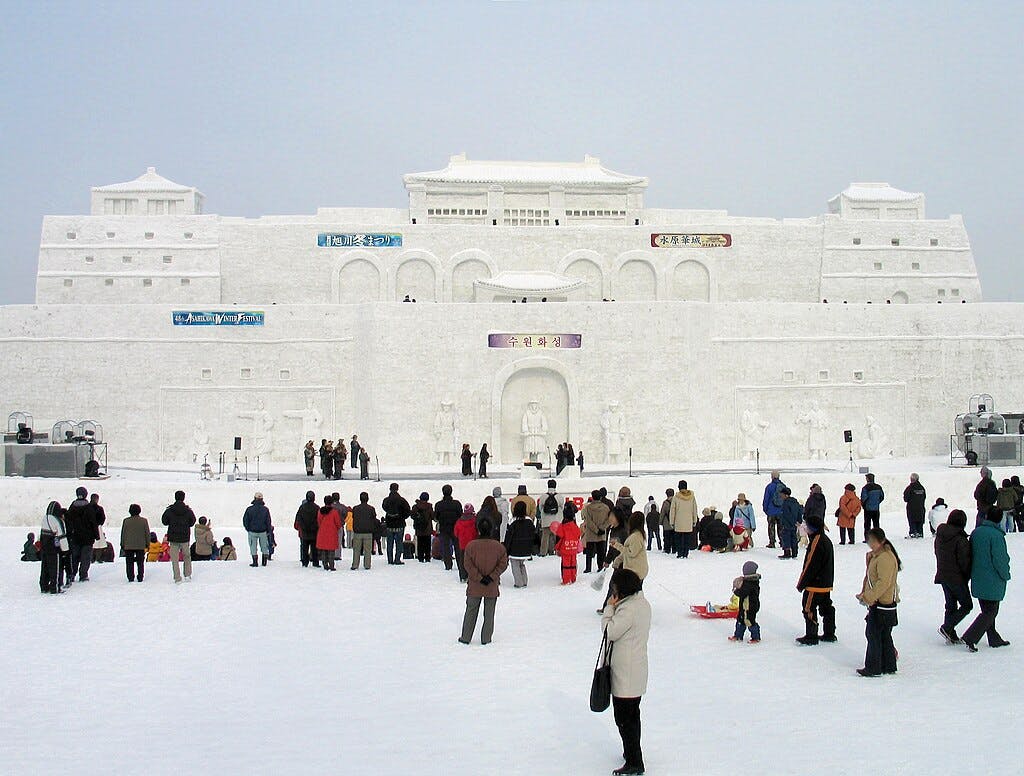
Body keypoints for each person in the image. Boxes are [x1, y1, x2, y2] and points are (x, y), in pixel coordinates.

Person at [601, 568, 651, 776]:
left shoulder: (627, 610)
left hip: (626, 673)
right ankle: (631, 752)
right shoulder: (641, 604)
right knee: (632, 716)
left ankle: (634, 761)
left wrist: (609, 609)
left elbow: (609, 632)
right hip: (635, 669)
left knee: (624, 718)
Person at [961, 508, 1012, 652]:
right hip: (992, 578)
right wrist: (1005, 574)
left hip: (978, 576)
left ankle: (993, 637)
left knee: (986, 609)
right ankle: (971, 636)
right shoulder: (996, 536)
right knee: (991, 611)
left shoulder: (976, 532)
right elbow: (1000, 559)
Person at [856, 528, 901, 676]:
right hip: (881, 602)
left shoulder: (885, 558)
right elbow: (871, 579)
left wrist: (869, 597)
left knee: (873, 634)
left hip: (883, 603)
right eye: (869, 541)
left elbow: (883, 583)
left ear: (881, 541)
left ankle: (873, 667)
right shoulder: (878, 556)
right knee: (884, 635)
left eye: (873, 542)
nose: (870, 544)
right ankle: (888, 665)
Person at [459, 518, 509, 645]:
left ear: (478, 529)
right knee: (489, 613)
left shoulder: (471, 546)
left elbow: (467, 565)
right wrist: (492, 576)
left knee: (471, 611)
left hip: (475, 585)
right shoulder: (499, 547)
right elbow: (503, 564)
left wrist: (479, 577)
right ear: (492, 529)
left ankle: (466, 637)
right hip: (491, 585)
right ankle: (486, 639)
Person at [796, 513, 836, 645]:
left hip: (815, 584)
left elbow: (810, 565)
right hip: (825, 583)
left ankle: (811, 635)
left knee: (809, 608)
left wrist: (801, 583)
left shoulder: (817, 541)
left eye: (806, 525)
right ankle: (829, 633)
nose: (805, 527)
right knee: (826, 607)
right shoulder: (824, 539)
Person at [934, 508, 973, 644]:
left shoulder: (941, 535)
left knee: (950, 605)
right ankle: (947, 627)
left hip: (943, 574)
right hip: (956, 577)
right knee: (967, 605)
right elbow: (964, 561)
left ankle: (950, 633)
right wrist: (967, 575)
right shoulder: (960, 539)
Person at [162, 490, 197, 583]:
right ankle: (188, 574)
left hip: (173, 538)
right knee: (187, 556)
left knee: (174, 558)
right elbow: (192, 521)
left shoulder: (169, 510)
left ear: (175, 497)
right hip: (185, 537)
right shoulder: (188, 510)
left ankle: (177, 577)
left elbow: (164, 521)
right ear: (183, 498)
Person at [66, 486, 96, 582]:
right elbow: (93, 522)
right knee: (85, 557)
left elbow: (68, 521)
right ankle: (83, 575)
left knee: (74, 556)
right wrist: (96, 535)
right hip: (88, 537)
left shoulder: (72, 507)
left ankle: (72, 574)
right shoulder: (89, 507)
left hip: (75, 537)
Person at [610, 511, 648, 584]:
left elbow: (631, 553)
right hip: (635, 570)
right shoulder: (637, 535)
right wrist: (618, 560)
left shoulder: (636, 536)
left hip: (635, 572)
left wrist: (617, 545)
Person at [728, 560, 762, 643]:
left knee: (749, 621)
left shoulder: (750, 583)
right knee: (740, 620)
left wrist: (736, 590)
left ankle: (756, 637)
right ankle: (738, 636)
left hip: (750, 607)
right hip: (744, 606)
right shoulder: (747, 581)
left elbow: (742, 593)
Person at [504, 500, 535, 588]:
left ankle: (519, 583)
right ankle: (525, 581)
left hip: (514, 549)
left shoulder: (512, 521)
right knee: (522, 564)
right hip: (526, 548)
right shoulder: (529, 521)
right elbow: (533, 534)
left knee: (515, 566)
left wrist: (506, 549)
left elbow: (509, 537)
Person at [549, 503, 583, 584]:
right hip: (573, 548)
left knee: (566, 565)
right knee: (573, 563)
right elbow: (578, 534)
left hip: (565, 549)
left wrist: (557, 548)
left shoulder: (562, 526)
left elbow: (559, 537)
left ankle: (566, 580)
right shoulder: (575, 526)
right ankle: (573, 578)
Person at [39, 502, 67, 594]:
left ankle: (44, 586)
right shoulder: (57, 520)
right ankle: (54, 588)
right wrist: (65, 550)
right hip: (54, 548)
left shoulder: (44, 518)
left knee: (45, 567)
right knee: (55, 568)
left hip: (44, 546)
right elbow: (62, 536)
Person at [434, 484, 463, 572]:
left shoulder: (439, 505)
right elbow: (460, 515)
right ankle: (460, 564)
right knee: (457, 547)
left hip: (444, 528)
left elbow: (436, 517)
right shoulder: (456, 504)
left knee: (446, 547)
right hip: (455, 527)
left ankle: (448, 565)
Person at [382, 482, 411, 566]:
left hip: (389, 524)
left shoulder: (386, 500)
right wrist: (402, 517)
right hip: (400, 524)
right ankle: (397, 559)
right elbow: (407, 511)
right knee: (399, 543)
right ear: (397, 489)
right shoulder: (402, 500)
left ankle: (390, 559)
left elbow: (384, 507)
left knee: (389, 543)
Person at [120, 503, 150, 583]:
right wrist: (148, 544)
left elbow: (123, 533)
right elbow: (147, 533)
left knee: (129, 562)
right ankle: (140, 577)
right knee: (140, 562)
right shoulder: (144, 521)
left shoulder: (126, 521)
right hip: (140, 545)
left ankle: (130, 577)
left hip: (128, 545)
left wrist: (122, 544)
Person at [582, 491, 611, 573]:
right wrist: (602, 528)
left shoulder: (588, 508)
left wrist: (596, 530)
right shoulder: (606, 508)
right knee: (601, 552)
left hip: (591, 533)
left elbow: (588, 521)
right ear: (600, 497)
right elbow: (609, 519)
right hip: (601, 534)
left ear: (592, 497)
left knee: (589, 552)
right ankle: (600, 566)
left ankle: (588, 568)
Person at [350, 492, 379, 570]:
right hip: (368, 532)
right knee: (368, 550)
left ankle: (355, 564)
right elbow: (374, 518)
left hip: (357, 532)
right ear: (367, 499)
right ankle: (367, 564)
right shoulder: (371, 508)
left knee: (356, 550)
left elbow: (354, 517)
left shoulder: (355, 508)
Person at [670, 480, 699, 559]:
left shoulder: (676, 497)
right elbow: (694, 509)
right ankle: (685, 553)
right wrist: (694, 520)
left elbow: (673, 510)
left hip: (678, 522)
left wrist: (672, 521)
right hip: (688, 522)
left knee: (678, 539)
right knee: (687, 539)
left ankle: (680, 553)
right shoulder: (692, 497)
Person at [243, 492, 272, 568]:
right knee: (264, 547)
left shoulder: (249, 509)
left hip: (252, 531)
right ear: (262, 499)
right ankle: (264, 562)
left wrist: (248, 528)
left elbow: (245, 520)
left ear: (254, 498)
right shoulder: (265, 509)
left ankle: (255, 562)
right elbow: (268, 521)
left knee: (253, 547)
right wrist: (268, 531)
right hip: (263, 531)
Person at [294, 491, 321, 568]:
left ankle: (304, 562)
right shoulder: (317, 507)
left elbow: (299, 518)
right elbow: (318, 519)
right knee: (314, 548)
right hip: (314, 532)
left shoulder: (302, 507)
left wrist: (303, 527)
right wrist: (315, 527)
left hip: (304, 531)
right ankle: (315, 562)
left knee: (304, 548)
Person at [454, 503, 479, 583]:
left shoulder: (459, 521)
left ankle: (463, 576)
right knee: (473, 561)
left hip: (462, 544)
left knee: (463, 561)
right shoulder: (475, 520)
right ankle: (471, 575)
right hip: (473, 544)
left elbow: (456, 533)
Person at [762, 470, 786, 549]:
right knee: (781, 527)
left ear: (772, 477)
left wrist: (766, 509)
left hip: (771, 510)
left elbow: (766, 499)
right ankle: (782, 541)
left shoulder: (769, 487)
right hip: (781, 511)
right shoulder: (783, 486)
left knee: (771, 526)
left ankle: (772, 542)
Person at [778, 488, 802, 560]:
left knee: (786, 538)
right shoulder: (795, 502)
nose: (780, 495)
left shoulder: (786, 503)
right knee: (793, 538)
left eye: (781, 494)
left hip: (787, 524)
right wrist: (798, 521)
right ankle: (795, 552)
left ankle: (787, 553)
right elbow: (799, 511)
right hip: (794, 525)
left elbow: (787, 514)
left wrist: (791, 522)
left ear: (786, 495)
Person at [860, 474, 885, 543]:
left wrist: (864, 505)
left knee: (867, 525)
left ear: (867, 479)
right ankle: (878, 538)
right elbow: (882, 496)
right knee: (876, 524)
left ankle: (868, 539)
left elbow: (864, 498)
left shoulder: (866, 488)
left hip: (868, 509)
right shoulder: (878, 487)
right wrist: (877, 502)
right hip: (876, 509)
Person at [316, 504, 341, 571]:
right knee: (331, 551)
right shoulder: (334, 512)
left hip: (322, 532)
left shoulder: (320, 511)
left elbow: (319, 521)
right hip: (332, 533)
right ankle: (331, 565)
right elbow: (338, 523)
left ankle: (325, 564)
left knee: (324, 550)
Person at [539, 482, 561, 557]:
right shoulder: (559, 496)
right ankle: (555, 551)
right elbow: (562, 507)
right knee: (555, 537)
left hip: (546, 520)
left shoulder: (543, 496)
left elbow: (540, 508)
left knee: (545, 537)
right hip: (556, 520)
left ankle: (543, 552)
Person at [411, 492, 434, 563]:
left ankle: (420, 557)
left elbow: (412, 516)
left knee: (420, 543)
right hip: (427, 528)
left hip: (419, 528)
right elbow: (433, 516)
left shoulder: (415, 507)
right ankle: (427, 557)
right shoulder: (429, 506)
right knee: (427, 543)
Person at [903, 473, 927, 538]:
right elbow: (924, 497)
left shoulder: (909, 488)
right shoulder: (922, 488)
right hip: (921, 508)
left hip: (911, 508)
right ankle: (920, 533)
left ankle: (913, 533)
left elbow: (905, 498)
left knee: (912, 521)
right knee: (920, 521)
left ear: (911, 479)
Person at [659, 488, 675, 555]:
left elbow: (662, 512)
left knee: (667, 537)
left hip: (667, 523)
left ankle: (667, 549)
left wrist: (660, 521)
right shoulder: (676, 501)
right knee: (674, 537)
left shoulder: (665, 502)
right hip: (675, 523)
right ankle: (674, 549)